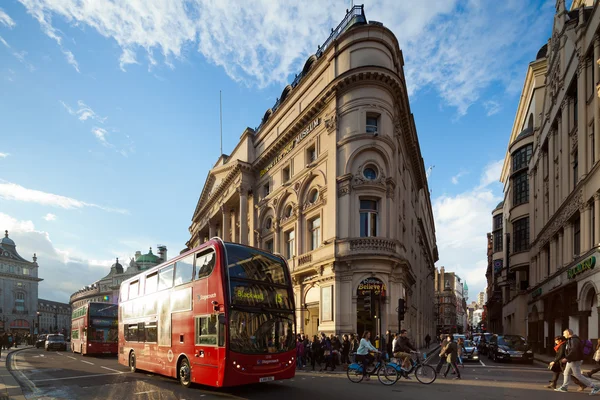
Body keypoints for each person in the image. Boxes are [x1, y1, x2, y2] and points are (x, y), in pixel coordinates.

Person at [555, 328, 600, 393]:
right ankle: (564, 387)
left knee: (577, 375)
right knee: (566, 373)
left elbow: (574, 350)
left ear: (568, 333)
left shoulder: (574, 340)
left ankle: (594, 386)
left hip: (575, 360)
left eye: (564, 333)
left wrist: (567, 358)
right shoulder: (571, 339)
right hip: (571, 359)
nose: (563, 335)